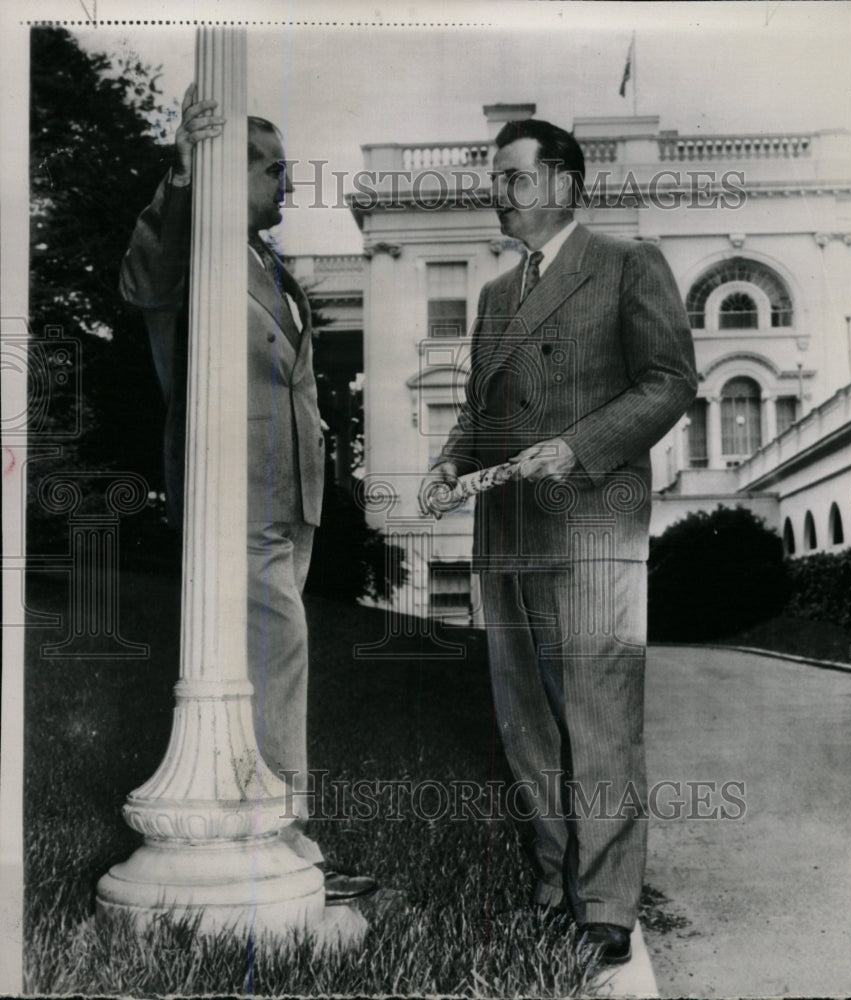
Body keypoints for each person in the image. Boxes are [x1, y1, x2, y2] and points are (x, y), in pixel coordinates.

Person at [418, 118, 697, 964]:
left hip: (592, 522)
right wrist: (445, 463)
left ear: (566, 184)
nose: (497, 193)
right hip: (503, 529)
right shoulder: (497, 296)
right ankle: (555, 884)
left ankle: (608, 907)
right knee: (526, 721)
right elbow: (478, 409)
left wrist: (578, 446)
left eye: (514, 178)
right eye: (495, 179)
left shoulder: (626, 264)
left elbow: (672, 380)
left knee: (600, 715)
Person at [120, 86, 375, 904]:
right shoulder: (199, 255)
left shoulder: (273, 268)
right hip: (233, 498)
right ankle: (286, 835)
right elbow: (142, 279)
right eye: (272, 170)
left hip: (289, 499)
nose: (289, 187)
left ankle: (261, 821)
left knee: (266, 663)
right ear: (232, 178)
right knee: (279, 655)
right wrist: (186, 175)